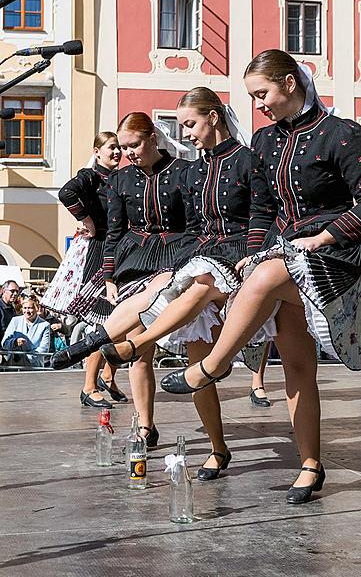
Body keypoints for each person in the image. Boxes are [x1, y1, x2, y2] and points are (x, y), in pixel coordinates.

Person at [159, 49, 361, 502]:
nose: (258, 105)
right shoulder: (265, 141)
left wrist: (323, 238)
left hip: (333, 256)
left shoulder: (341, 133)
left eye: (262, 94)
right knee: (298, 366)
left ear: (289, 83)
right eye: (252, 97)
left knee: (263, 279)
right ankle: (310, 465)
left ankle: (211, 366)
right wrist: (252, 253)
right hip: (284, 252)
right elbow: (263, 208)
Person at [97, 87, 272, 477]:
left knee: (199, 284)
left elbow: (262, 211)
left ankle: (134, 342)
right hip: (201, 262)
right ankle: (218, 447)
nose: (186, 133)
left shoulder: (247, 159)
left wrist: (253, 254)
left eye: (190, 124)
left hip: (240, 260)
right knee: (197, 361)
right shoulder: (193, 169)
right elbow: (191, 227)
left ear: (214, 116)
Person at [52, 112, 189, 446]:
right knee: (140, 351)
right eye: (120, 147)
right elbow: (113, 232)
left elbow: (194, 222)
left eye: (132, 145)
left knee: (142, 343)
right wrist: (110, 276)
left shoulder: (185, 172)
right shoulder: (118, 180)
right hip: (132, 264)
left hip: (174, 259)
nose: (126, 152)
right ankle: (144, 424)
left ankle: (96, 346)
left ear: (153, 137)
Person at [42, 132, 126, 408]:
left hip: (119, 249)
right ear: (97, 151)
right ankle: (89, 386)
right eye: (112, 148)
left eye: (119, 148)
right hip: (101, 250)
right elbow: (66, 192)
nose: (117, 152)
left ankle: (108, 376)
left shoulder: (117, 178)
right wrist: (86, 219)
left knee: (123, 318)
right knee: (104, 321)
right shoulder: (91, 176)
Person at [2, 296, 50, 367]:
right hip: (14, 365)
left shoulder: (44, 325)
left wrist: (26, 358)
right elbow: (4, 343)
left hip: (34, 367)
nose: (27, 311)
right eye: (25, 308)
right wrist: (15, 342)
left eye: (30, 308)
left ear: (36, 308)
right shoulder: (15, 321)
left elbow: (44, 348)